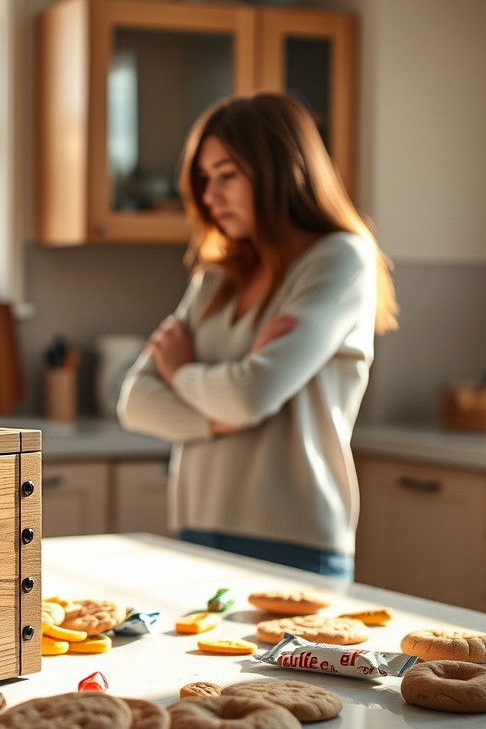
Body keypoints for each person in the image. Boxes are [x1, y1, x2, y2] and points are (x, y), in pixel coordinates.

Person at [116, 93, 398, 580]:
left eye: (227, 175)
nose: (210, 196)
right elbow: (135, 400)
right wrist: (219, 420)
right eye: (204, 179)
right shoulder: (216, 276)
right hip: (197, 529)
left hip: (298, 543)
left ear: (280, 171)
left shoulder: (340, 260)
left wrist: (181, 371)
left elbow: (252, 395)